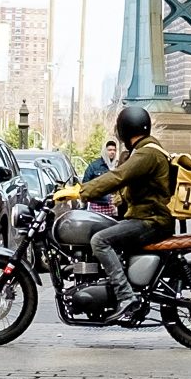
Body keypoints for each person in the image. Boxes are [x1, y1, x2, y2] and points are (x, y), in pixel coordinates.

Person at [74, 108, 175, 310]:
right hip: (147, 217)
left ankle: (125, 296)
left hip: (150, 220)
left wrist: (80, 191)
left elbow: (118, 176)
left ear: (125, 129)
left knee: (100, 240)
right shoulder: (148, 150)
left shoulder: (148, 153)